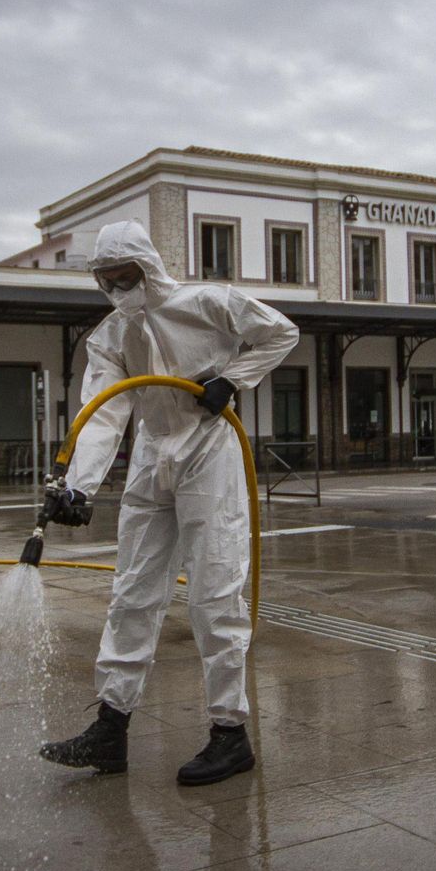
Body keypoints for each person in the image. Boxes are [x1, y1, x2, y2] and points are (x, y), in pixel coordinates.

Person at [38, 219, 297, 786]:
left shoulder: (208, 302)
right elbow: (105, 410)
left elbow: (281, 332)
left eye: (125, 276)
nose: (118, 289)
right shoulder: (110, 337)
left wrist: (234, 378)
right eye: (107, 281)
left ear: (148, 268)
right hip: (153, 455)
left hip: (210, 448)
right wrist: (79, 483)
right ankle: (110, 727)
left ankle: (230, 734)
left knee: (215, 592)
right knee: (132, 592)